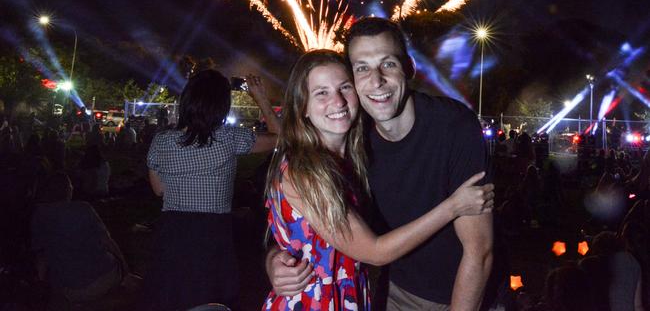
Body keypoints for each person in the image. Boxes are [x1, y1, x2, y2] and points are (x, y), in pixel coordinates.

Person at [268, 17, 494, 310]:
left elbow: (480, 251)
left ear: (408, 68)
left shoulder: (452, 127)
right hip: (391, 294)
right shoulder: (351, 138)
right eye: (362, 68)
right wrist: (274, 259)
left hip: (460, 296)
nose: (376, 81)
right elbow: (303, 230)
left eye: (388, 64)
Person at [141, 70, 280, 311]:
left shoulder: (161, 141)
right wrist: (260, 98)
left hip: (171, 233)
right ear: (222, 105)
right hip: (212, 234)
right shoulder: (229, 138)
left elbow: (159, 190)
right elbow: (282, 138)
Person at [31, 172, 138, 303]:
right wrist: (125, 270)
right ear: (67, 189)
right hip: (102, 278)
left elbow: (41, 256)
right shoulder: (83, 208)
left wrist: (42, 284)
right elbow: (107, 241)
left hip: (70, 290)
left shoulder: (40, 215)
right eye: (70, 185)